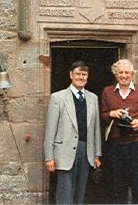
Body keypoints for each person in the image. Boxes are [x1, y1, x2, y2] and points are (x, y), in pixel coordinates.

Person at [101, 59, 138, 204]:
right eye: (120, 72)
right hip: (115, 145)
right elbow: (102, 115)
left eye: (127, 72)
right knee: (117, 184)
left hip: (136, 144)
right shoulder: (108, 92)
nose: (124, 75)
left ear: (132, 74)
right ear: (115, 74)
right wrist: (111, 114)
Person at [44, 60, 102, 204]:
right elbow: (50, 130)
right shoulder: (58, 98)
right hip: (63, 151)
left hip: (85, 150)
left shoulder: (93, 98)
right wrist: (49, 157)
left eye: (84, 74)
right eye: (78, 74)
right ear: (71, 75)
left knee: (80, 192)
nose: (81, 77)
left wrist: (97, 154)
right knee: (65, 191)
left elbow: (96, 129)